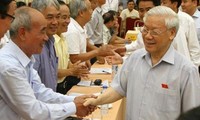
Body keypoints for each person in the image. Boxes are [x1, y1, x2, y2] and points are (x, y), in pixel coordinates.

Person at [84, 6, 200, 120]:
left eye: (155, 32)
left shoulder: (186, 71)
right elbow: (118, 88)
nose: (148, 36)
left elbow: (191, 114)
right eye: (145, 30)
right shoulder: (135, 58)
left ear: (172, 33)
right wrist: (96, 100)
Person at [0, 7, 95, 120]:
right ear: (22, 33)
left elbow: (41, 93)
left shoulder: (25, 59)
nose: (46, 38)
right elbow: (33, 111)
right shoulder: (9, 66)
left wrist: (75, 100)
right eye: (42, 31)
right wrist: (74, 107)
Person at [63, 0, 115, 68]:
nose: (92, 11)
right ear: (81, 13)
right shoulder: (72, 30)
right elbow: (74, 58)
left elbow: (86, 44)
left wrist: (88, 58)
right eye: (90, 8)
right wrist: (98, 52)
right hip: (73, 73)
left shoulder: (82, 26)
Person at [54, 0, 89, 94]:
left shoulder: (62, 37)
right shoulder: (50, 41)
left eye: (69, 17)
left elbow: (66, 61)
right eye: (64, 17)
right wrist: (71, 71)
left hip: (63, 84)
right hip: (54, 87)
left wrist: (76, 68)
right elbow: (51, 71)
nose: (68, 21)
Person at [32, 0, 60, 91]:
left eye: (57, 17)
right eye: (50, 17)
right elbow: (33, 88)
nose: (55, 22)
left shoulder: (51, 40)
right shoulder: (33, 45)